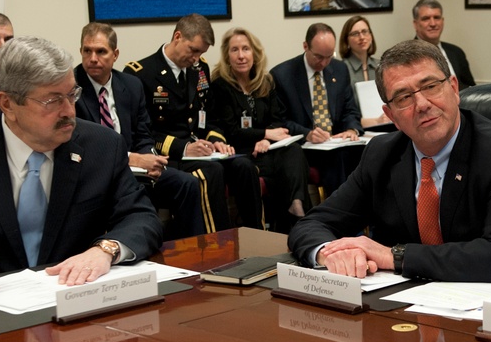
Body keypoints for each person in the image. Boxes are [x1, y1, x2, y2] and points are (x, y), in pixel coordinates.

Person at [0, 36, 162, 293]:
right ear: (7, 103)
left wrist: (105, 250)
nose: (69, 111)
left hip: (75, 297)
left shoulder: (102, 146)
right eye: (53, 100)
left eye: (72, 95)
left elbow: (141, 217)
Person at [288, 39, 491, 281]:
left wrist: (394, 256)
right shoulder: (381, 154)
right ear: (391, 115)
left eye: (431, 86)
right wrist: (329, 253)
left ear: (454, 89)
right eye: (404, 97)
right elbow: (312, 223)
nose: (422, 104)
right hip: (407, 309)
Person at [125, 13, 262, 231]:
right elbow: (145, 132)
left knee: (245, 166)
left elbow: (209, 116)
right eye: (193, 50)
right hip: (172, 155)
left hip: (203, 149)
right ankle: (217, 245)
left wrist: (216, 140)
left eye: (201, 53)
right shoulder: (141, 74)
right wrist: (186, 148)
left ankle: (256, 234)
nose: (196, 58)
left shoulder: (199, 69)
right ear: (177, 37)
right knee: (211, 173)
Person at [74, 22, 206, 240]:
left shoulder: (131, 85)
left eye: (101, 51)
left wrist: (149, 160)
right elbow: (85, 146)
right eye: (87, 51)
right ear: (80, 51)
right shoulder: (73, 88)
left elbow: (143, 134)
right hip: (95, 174)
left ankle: (191, 255)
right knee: (139, 195)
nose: (93, 58)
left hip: (135, 171)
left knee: (187, 184)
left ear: (115, 54)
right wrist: (133, 160)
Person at [209, 27, 310, 234]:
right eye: (234, 50)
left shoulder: (265, 82)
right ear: (227, 56)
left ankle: (297, 206)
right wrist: (264, 134)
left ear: (254, 52)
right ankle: (267, 228)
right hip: (240, 152)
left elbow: (277, 120)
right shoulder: (220, 86)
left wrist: (267, 140)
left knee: (294, 151)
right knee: (258, 168)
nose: (241, 56)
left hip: (266, 150)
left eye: (245, 49)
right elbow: (230, 130)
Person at [271, 22, 363, 195]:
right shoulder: (283, 75)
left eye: (329, 56)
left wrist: (351, 129)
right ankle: (337, 214)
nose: (324, 63)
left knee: (369, 152)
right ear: (305, 46)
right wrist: (308, 133)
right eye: (319, 57)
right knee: (337, 160)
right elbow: (280, 121)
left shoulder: (340, 69)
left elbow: (350, 109)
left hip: (336, 142)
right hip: (305, 147)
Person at [339, 15, 391, 129]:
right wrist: (376, 121)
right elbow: (342, 113)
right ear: (346, 40)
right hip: (355, 130)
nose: (362, 37)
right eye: (355, 34)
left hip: (387, 125)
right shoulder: (341, 69)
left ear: (371, 36)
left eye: (365, 32)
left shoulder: (382, 65)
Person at [412, 0, 476, 91]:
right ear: (415, 24)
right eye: (426, 19)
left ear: (442, 21)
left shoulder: (456, 52)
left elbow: (471, 88)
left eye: (437, 18)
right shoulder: (407, 56)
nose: (433, 23)